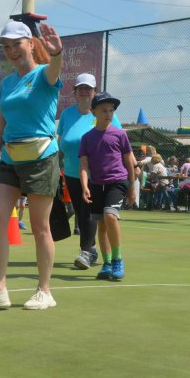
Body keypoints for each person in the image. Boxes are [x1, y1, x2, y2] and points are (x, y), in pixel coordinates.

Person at [0, 20, 63, 311]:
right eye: (6, 46)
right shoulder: (7, 83)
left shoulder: (44, 75)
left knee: (39, 226)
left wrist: (58, 52)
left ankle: (44, 291)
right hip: (9, 159)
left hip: (42, 157)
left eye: (16, 44)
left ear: (31, 44)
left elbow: (55, 68)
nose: (11, 50)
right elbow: (1, 126)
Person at [57, 72, 122, 269]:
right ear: (75, 92)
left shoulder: (106, 114)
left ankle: (85, 252)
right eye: (81, 88)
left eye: (88, 88)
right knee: (80, 212)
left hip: (98, 175)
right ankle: (91, 249)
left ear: (95, 92)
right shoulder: (67, 114)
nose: (85, 92)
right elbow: (61, 143)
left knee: (88, 213)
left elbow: (118, 140)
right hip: (71, 172)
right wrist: (57, 167)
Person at [79, 92, 136, 281]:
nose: (108, 113)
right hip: (96, 185)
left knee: (110, 216)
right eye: (104, 110)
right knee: (101, 225)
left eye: (111, 110)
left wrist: (132, 187)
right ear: (93, 112)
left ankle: (118, 260)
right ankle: (107, 263)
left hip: (118, 182)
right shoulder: (87, 138)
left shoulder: (120, 134)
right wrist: (85, 186)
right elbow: (84, 166)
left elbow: (129, 161)